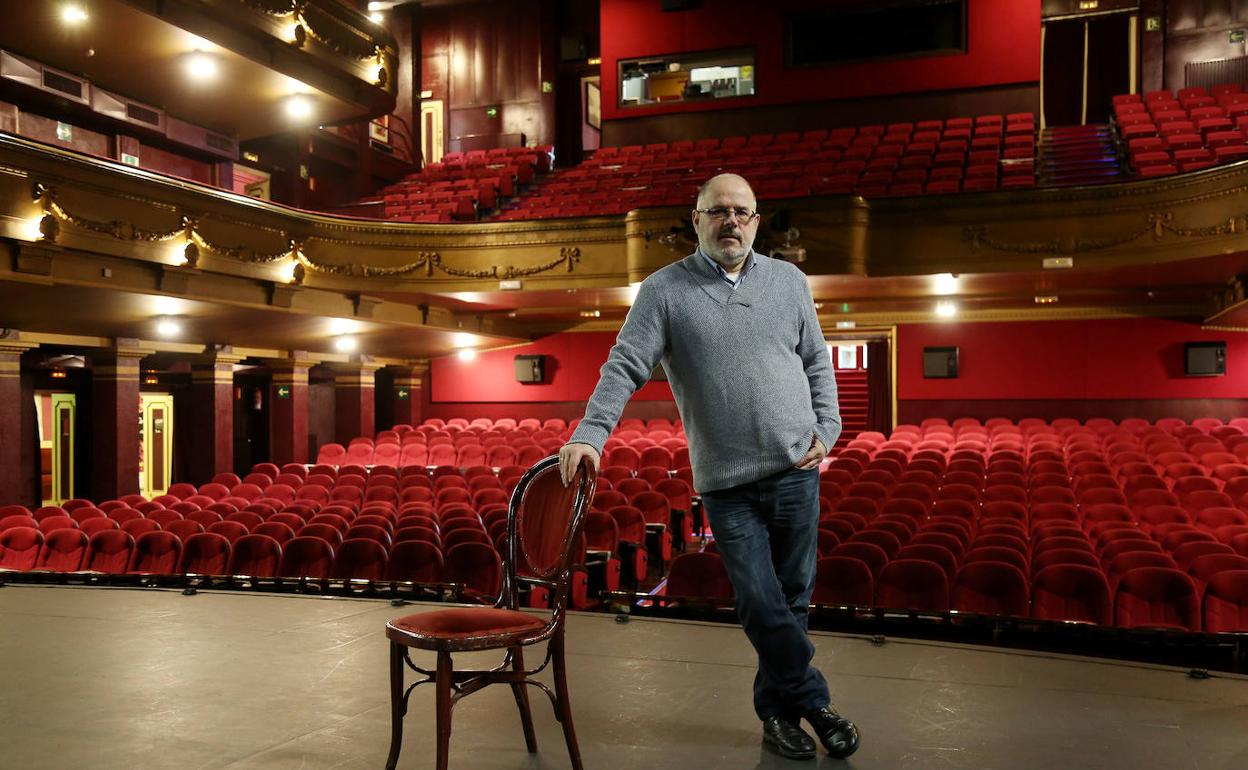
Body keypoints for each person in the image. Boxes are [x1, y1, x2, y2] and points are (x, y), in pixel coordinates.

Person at [558, 173, 859, 760]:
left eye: (741, 212)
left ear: (756, 220)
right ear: (696, 221)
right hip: (727, 484)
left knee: (793, 600)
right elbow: (624, 365)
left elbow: (817, 360)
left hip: (796, 469)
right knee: (761, 602)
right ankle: (816, 704)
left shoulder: (789, 281)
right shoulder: (664, 291)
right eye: (718, 211)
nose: (731, 222)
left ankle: (778, 716)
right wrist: (591, 434)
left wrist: (828, 428)